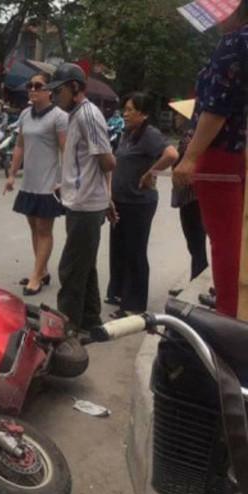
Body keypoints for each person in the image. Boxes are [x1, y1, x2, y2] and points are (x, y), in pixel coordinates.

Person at [172, 2, 248, 317]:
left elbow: (217, 108)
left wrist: (190, 158)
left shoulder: (234, 43)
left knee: (225, 242)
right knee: (236, 240)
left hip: (219, 154)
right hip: (237, 152)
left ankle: (229, 319)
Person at [44, 63, 117, 333]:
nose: (54, 96)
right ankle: (90, 320)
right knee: (85, 266)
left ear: (74, 87)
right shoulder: (74, 115)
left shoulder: (88, 115)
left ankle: (67, 329)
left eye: (58, 91)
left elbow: (107, 161)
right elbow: (85, 161)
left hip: (86, 206)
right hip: (81, 202)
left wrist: (102, 196)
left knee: (71, 269)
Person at [106, 93, 179, 317]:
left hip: (138, 203)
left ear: (143, 114)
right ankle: (119, 292)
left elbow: (172, 154)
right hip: (120, 200)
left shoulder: (150, 134)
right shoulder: (128, 134)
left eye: (130, 110)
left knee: (134, 251)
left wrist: (151, 173)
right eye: (125, 109)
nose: (125, 114)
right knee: (118, 248)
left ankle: (134, 304)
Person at [3, 73, 68, 296]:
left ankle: (36, 276)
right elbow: (20, 145)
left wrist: (63, 180)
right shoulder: (25, 114)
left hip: (48, 183)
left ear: (49, 90)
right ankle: (42, 271)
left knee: (44, 229)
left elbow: (65, 150)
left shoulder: (59, 117)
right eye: (30, 85)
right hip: (29, 182)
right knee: (33, 227)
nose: (32, 89)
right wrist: (12, 175)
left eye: (38, 86)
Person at [170, 105, 209, 282]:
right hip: (191, 196)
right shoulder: (190, 136)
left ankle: (198, 279)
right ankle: (196, 277)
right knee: (195, 241)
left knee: (195, 241)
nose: (175, 118)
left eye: (178, 115)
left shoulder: (190, 138)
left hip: (192, 197)